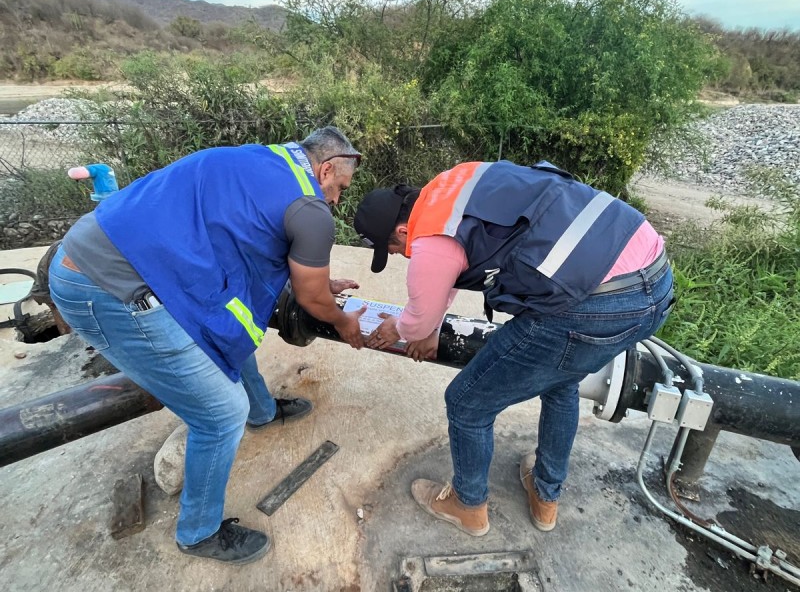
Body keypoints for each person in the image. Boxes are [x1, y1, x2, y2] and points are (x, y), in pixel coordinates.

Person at [49, 126, 367, 564]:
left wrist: (315, 275)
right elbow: (311, 299)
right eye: (339, 189)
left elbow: (259, 241)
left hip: (105, 251)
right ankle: (198, 532)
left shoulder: (262, 159)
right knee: (220, 413)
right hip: (107, 287)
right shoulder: (312, 209)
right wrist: (342, 320)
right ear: (326, 168)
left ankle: (264, 412)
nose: (335, 200)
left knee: (233, 329)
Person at [353, 160, 674, 536]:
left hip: (592, 307)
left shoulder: (429, 239)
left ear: (403, 229)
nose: (398, 255)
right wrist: (431, 323)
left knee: (467, 402)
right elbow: (454, 264)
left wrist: (403, 327)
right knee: (560, 381)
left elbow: (422, 308)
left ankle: (468, 505)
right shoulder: (451, 186)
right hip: (654, 282)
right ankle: (545, 495)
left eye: (392, 248)